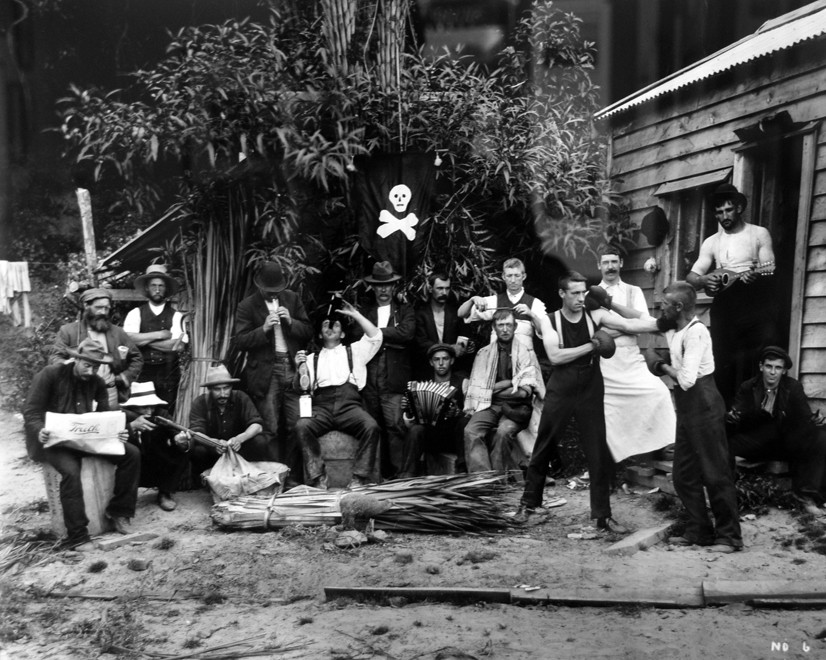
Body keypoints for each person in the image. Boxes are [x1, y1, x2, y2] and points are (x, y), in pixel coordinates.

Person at [516, 272, 664, 531]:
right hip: (561, 387)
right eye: (574, 293)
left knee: (597, 452)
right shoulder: (549, 321)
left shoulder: (594, 315)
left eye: (583, 292)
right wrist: (592, 345)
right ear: (562, 293)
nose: (580, 298)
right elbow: (556, 356)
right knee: (544, 445)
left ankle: (602, 516)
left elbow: (628, 326)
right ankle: (528, 504)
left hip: (590, 387)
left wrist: (666, 323)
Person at [23, 338, 141, 550]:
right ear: (75, 359)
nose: (91, 370)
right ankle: (77, 536)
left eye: (96, 366)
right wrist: (40, 430)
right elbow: (31, 411)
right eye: (87, 364)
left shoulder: (96, 383)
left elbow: (105, 415)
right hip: (53, 441)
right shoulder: (50, 375)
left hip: (86, 439)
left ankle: (119, 512)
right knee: (70, 471)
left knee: (131, 453)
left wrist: (117, 432)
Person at [654, 281, 743, 553]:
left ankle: (730, 536)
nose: (661, 308)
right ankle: (699, 531)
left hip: (703, 402)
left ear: (679, 307)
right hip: (688, 408)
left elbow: (687, 379)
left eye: (666, 305)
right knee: (683, 474)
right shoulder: (674, 326)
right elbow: (640, 320)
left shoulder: (697, 333)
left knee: (715, 473)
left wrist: (661, 365)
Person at [686, 183, 777, 405]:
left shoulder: (758, 234)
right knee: (723, 358)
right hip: (725, 305)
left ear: (738, 208)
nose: (724, 216)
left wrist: (757, 275)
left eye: (728, 209)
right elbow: (692, 277)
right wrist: (705, 279)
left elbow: (770, 267)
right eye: (719, 212)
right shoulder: (712, 242)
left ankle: (753, 411)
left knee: (753, 358)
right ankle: (726, 413)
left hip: (753, 302)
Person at [233, 261, 313, 480]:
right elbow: (239, 341)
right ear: (259, 286)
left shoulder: (292, 299)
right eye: (269, 291)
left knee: (297, 425)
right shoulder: (247, 306)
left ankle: (293, 476)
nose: (272, 294)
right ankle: (273, 478)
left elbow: (308, 331)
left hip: (292, 367)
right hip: (266, 373)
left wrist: (291, 322)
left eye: (276, 290)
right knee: (270, 428)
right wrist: (264, 328)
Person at [594, 249, 675, 462]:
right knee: (608, 407)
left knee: (658, 391)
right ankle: (618, 457)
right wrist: (628, 326)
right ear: (598, 266)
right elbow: (593, 333)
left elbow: (641, 326)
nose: (610, 267)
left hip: (631, 356)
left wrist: (622, 328)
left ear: (621, 263)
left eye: (614, 262)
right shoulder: (590, 295)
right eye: (605, 263)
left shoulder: (634, 291)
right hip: (605, 362)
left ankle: (660, 446)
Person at [293, 301, 383, 490]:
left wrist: (356, 315)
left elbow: (376, 336)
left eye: (335, 324)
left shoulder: (355, 352)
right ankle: (318, 478)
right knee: (302, 425)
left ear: (342, 334)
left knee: (371, 426)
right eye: (325, 324)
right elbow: (299, 388)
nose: (330, 326)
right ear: (319, 334)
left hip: (349, 407)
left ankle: (359, 477)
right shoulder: (311, 359)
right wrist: (298, 367)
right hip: (321, 408)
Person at [727, 346, 826, 515]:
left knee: (821, 437)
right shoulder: (748, 387)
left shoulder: (793, 387)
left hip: (784, 442)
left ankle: (806, 496)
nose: (773, 372)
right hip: (757, 441)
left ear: (784, 371)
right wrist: (733, 417)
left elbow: (805, 418)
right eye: (769, 366)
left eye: (778, 368)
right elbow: (737, 412)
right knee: (723, 439)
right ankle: (726, 495)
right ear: (761, 367)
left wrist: (816, 421)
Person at [463, 309, 544, 473]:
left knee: (503, 432)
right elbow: (478, 392)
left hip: (517, 408)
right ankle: (483, 480)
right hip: (489, 405)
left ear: (515, 327)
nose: (505, 329)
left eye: (508, 325)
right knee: (471, 431)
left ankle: (498, 479)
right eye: (501, 325)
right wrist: (510, 383)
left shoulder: (525, 353)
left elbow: (523, 392)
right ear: (494, 327)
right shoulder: (483, 354)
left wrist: (490, 389)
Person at [358, 261, 415, 477]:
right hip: (370, 380)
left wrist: (376, 335)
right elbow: (359, 338)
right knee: (373, 427)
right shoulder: (365, 312)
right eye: (379, 286)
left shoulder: (404, 310)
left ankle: (399, 480)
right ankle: (374, 479)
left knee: (396, 427)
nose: (383, 290)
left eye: (388, 285)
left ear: (394, 287)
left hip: (393, 378)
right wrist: (391, 334)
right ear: (372, 287)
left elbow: (407, 334)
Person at [52, 288, 144, 409]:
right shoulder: (69, 331)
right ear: (86, 305)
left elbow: (137, 357)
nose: (103, 312)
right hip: (78, 392)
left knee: (109, 425)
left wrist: (123, 377)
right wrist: (68, 364)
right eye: (98, 307)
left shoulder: (118, 333)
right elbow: (55, 357)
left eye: (106, 308)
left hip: (109, 392)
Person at [176, 364, 267, 478]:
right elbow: (196, 432)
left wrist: (240, 439)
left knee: (260, 441)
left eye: (226, 388)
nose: (223, 393)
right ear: (209, 389)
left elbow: (257, 425)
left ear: (231, 387)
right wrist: (213, 443)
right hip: (213, 454)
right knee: (198, 450)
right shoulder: (200, 403)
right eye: (217, 389)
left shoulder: (241, 398)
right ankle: (204, 480)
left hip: (239, 451)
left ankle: (252, 475)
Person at [397, 343, 468, 478]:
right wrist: (409, 409)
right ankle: (406, 476)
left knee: (463, 422)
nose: (441, 363)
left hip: (453, 438)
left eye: (445, 359)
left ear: (452, 361)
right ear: (431, 362)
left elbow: (471, 412)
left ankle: (462, 470)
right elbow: (411, 423)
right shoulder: (422, 386)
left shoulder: (462, 382)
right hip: (432, 438)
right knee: (416, 430)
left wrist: (458, 412)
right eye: (436, 359)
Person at [123, 264, 186, 413]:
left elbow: (178, 346)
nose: (157, 289)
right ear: (146, 288)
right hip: (142, 372)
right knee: (143, 413)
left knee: (167, 413)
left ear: (166, 289)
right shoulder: (135, 313)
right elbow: (127, 340)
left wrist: (143, 341)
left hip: (168, 373)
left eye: (161, 286)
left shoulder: (177, 316)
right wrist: (160, 335)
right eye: (153, 285)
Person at [121, 381, 189, 512]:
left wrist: (178, 439)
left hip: (157, 465)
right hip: (133, 468)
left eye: (152, 407)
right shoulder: (123, 417)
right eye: (144, 407)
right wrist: (132, 427)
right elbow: (112, 438)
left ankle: (165, 492)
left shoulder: (161, 415)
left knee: (183, 450)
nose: (149, 411)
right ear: (133, 407)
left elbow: (176, 431)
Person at [458, 258, 547, 347]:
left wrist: (532, 315)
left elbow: (545, 332)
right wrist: (472, 299)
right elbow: (461, 314)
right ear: (503, 277)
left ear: (524, 276)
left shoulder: (535, 303)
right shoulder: (494, 301)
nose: (513, 280)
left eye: (517, 275)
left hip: (524, 358)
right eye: (509, 276)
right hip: (497, 357)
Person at [413, 271, 471, 378]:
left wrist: (466, 346)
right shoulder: (420, 314)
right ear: (430, 289)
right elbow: (421, 343)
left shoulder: (456, 312)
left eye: (447, 288)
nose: (444, 292)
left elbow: (464, 337)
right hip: (427, 370)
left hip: (454, 370)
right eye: (439, 288)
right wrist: (450, 348)